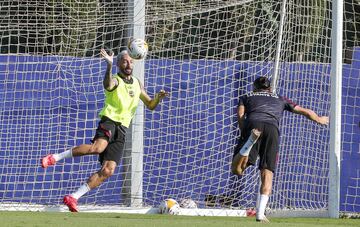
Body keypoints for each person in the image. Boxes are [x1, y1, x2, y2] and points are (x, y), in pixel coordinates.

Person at [41, 48, 168, 212]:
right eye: (124, 61)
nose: (128, 64)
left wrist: (157, 98)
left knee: (108, 170)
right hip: (109, 121)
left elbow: (150, 105)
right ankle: (54, 158)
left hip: (122, 129)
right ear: (118, 63)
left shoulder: (136, 83)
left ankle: (73, 197)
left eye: (131, 61)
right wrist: (108, 66)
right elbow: (108, 85)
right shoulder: (115, 80)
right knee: (97, 147)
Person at [231, 76, 328, 223]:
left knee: (237, 170)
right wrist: (319, 119)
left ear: (254, 87)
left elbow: (240, 115)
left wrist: (244, 131)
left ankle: (248, 144)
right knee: (267, 171)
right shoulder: (280, 98)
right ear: (269, 88)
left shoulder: (246, 96)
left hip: (253, 125)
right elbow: (304, 111)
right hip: (272, 129)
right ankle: (260, 213)